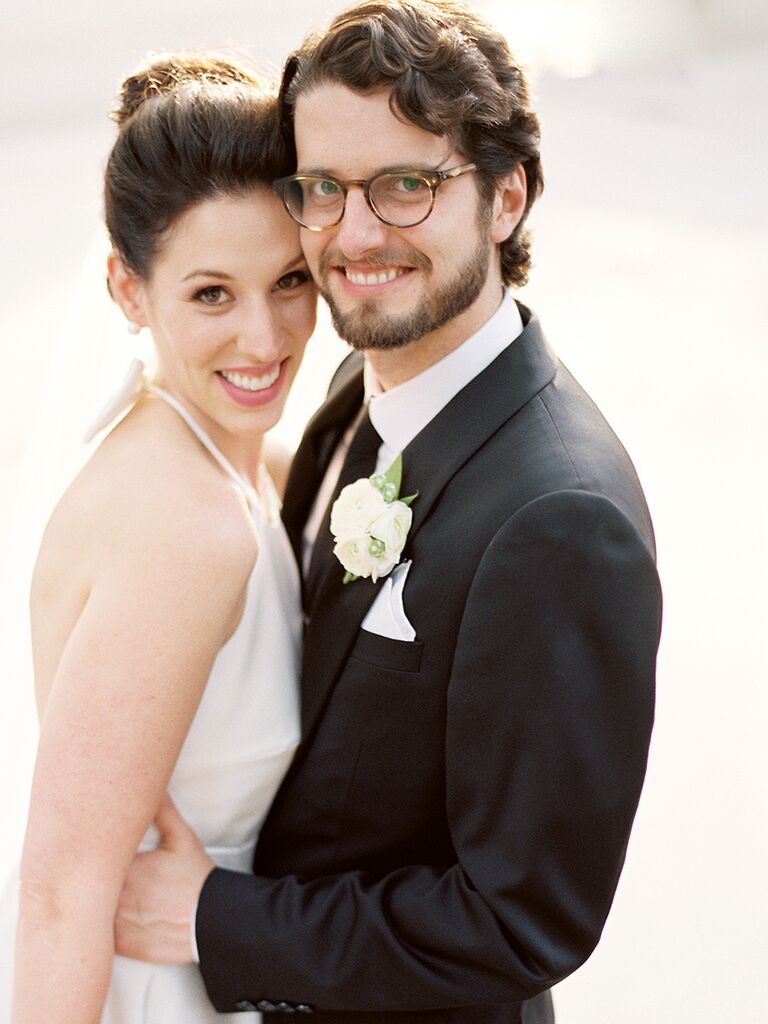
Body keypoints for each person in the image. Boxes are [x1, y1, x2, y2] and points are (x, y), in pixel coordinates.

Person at [114, 2, 662, 1021]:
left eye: (405, 185)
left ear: (507, 198)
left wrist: (215, 921)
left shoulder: (560, 518)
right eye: (323, 189)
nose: (355, 235)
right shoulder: (349, 391)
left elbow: (520, 919)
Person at [0, 54, 317, 1023]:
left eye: (290, 279)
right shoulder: (183, 530)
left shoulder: (222, 458)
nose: (264, 340)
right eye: (211, 294)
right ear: (128, 290)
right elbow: (61, 895)